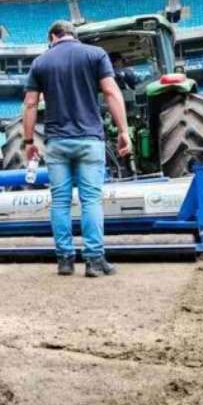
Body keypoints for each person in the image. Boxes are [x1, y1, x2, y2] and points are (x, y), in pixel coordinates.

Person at [23, 20, 131, 278]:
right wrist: (124, 131)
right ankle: (94, 260)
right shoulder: (95, 55)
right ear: (74, 34)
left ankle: (65, 260)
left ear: (53, 36)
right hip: (89, 140)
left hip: (56, 142)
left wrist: (28, 142)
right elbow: (111, 92)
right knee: (90, 200)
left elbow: (29, 104)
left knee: (60, 201)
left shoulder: (41, 62)